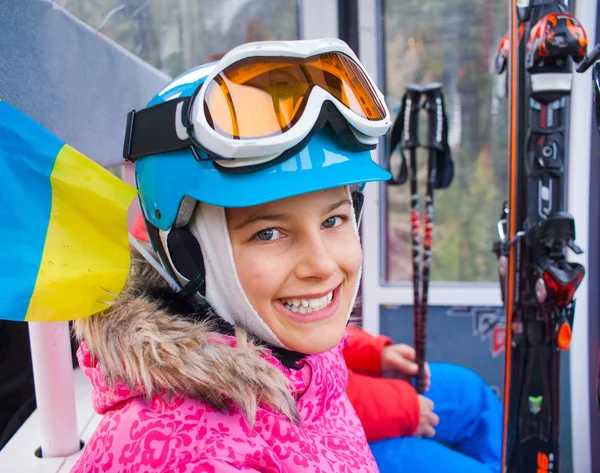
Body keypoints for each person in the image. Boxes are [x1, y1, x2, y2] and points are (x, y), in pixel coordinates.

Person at [72, 38, 393, 472]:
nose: (322, 265)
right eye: (269, 233)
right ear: (186, 255)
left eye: (333, 221)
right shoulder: (187, 456)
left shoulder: (288, 347)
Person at [344, 326, 503, 473]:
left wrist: (371, 353)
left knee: (471, 396)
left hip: (344, 376)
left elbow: (322, 335)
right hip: (328, 441)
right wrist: (404, 408)